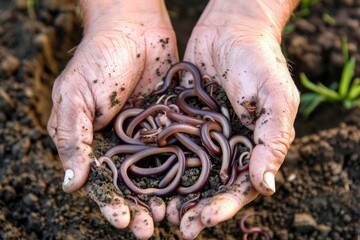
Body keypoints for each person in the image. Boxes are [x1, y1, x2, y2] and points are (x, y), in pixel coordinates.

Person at [47, 0, 300, 239]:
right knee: (183, 146)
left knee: (195, 141)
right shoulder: (180, 123)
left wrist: (248, 20)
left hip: (191, 125)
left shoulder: (200, 128)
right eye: (224, 173)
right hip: (178, 125)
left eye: (224, 173)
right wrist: (118, 17)